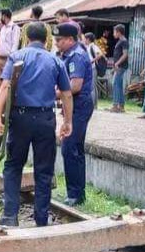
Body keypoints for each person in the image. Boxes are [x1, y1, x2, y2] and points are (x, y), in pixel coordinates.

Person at [0, 21, 73, 227]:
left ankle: (10, 216)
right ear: (45, 38)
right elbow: (66, 94)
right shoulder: (55, 61)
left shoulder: (17, 56)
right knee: (44, 170)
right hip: (45, 120)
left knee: (13, 166)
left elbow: (4, 87)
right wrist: (67, 121)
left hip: (20, 119)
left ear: (26, 37)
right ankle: (41, 218)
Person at [54, 23, 94, 207]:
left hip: (79, 105)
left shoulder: (76, 56)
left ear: (70, 39)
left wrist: (53, 92)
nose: (57, 44)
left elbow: (75, 86)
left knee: (70, 148)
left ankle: (75, 194)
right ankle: (77, 193)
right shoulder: (68, 54)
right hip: (74, 105)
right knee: (75, 149)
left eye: (59, 40)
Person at [108, 24, 129, 113]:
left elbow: (125, 54)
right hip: (118, 66)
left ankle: (115, 105)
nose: (113, 34)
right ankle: (121, 106)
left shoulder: (124, 41)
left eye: (114, 32)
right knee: (118, 85)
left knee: (116, 84)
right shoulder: (120, 41)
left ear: (119, 32)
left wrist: (117, 63)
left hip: (121, 66)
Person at [0, 9, 21, 87]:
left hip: (8, 58)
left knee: (8, 82)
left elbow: (15, 44)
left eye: (0, 16)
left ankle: (7, 99)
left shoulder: (14, 27)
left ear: (4, 16)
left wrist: (11, 59)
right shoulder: (3, 28)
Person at [84, 33, 104, 109]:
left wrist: (92, 61)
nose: (84, 40)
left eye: (85, 39)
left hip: (93, 68)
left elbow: (100, 54)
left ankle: (93, 105)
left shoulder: (93, 46)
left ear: (88, 39)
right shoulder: (88, 46)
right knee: (93, 86)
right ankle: (94, 105)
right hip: (91, 68)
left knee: (92, 87)